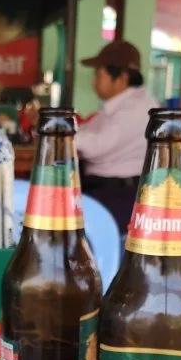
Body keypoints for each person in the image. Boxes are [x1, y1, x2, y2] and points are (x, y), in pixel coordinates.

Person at [74, 40, 159, 231]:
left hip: (117, 196)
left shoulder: (136, 108)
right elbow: (87, 131)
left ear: (122, 77)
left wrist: (60, 136)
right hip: (106, 190)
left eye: (99, 75)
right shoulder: (118, 106)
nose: (94, 82)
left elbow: (96, 146)